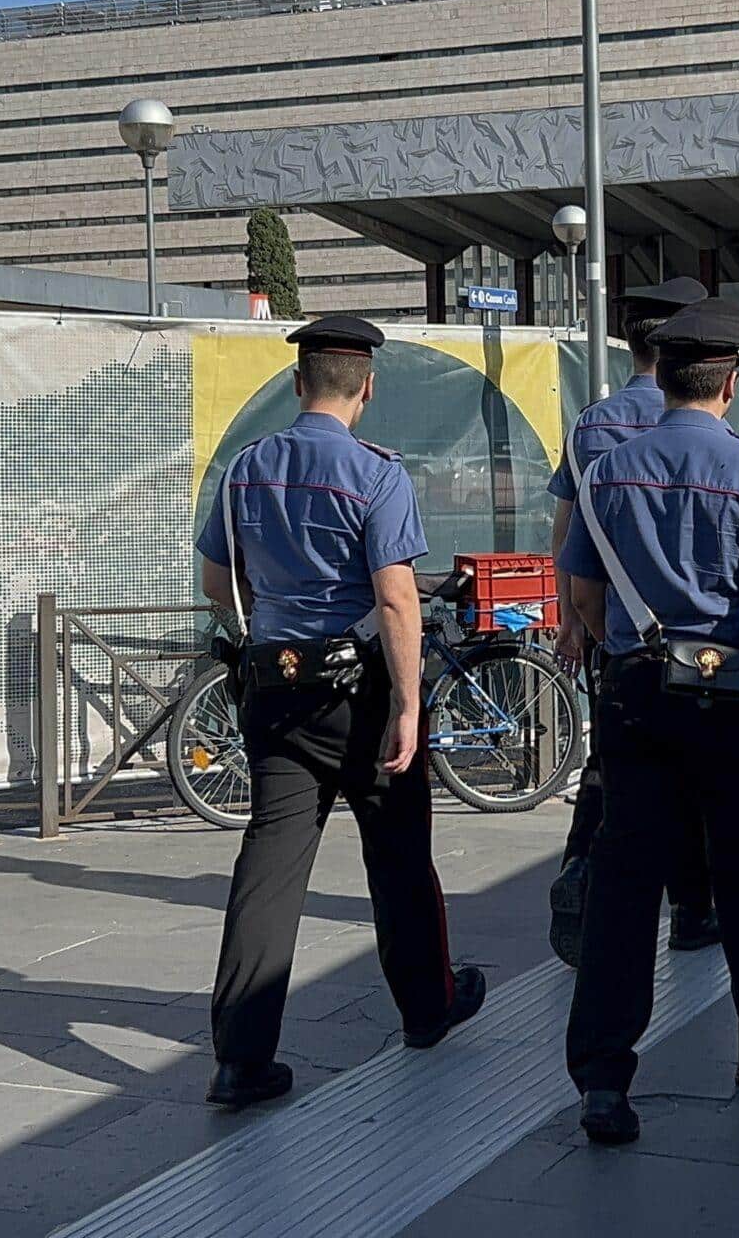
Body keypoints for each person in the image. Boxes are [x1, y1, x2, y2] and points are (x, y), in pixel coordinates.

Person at [195, 315, 484, 1111]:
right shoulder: (376, 473)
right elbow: (395, 598)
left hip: (276, 689)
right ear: (367, 388)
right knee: (397, 856)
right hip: (359, 695)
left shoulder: (246, 470)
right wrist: (407, 706)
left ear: (298, 385)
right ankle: (427, 1009)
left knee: (270, 867)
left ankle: (240, 1060)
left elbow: (219, 585)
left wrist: (273, 618)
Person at [560, 299, 739, 1146]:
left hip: (636, 698)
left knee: (626, 884)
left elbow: (586, 600)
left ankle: (604, 1079)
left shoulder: (606, 472)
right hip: (737, 701)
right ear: (731, 383)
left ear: (661, 375)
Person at [546, 276, 716, 968]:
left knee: (613, 760)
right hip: (696, 637)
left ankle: (584, 870)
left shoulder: (593, 424)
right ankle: (693, 910)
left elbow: (567, 528)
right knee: (696, 772)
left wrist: (572, 619)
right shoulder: (704, 417)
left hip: (611, 627)